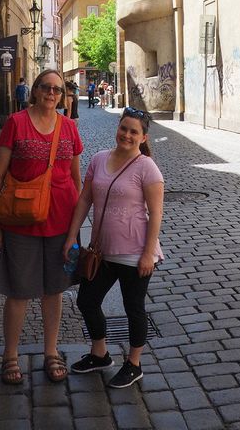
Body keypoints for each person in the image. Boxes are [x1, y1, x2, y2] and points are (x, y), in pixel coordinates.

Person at [0, 69, 83, 385]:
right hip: (22, 219)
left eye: (57, 90)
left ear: (63, 95)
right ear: (35, 90)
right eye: (46, 87)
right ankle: (10, 355)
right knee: (19, 292)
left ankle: (51, 351)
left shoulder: (69, 127)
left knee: (54, 290)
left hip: (61, 220)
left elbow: (75, 178)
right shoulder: (16, 123)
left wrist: (79, 224)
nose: (52, 94)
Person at [64, 107, 164, 389]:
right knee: (87, 300)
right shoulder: (98, 159)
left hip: (135, 252)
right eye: (124, 129)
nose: (127, 135)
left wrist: (147, 254)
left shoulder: (147, 167)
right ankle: (100, 354)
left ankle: (134, 364)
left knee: (134, 307)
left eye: (134, 132)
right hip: (102, 250)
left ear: (143, 137)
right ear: (117, 128)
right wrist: (73, 236)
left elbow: (156, 214)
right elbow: (84, 200)